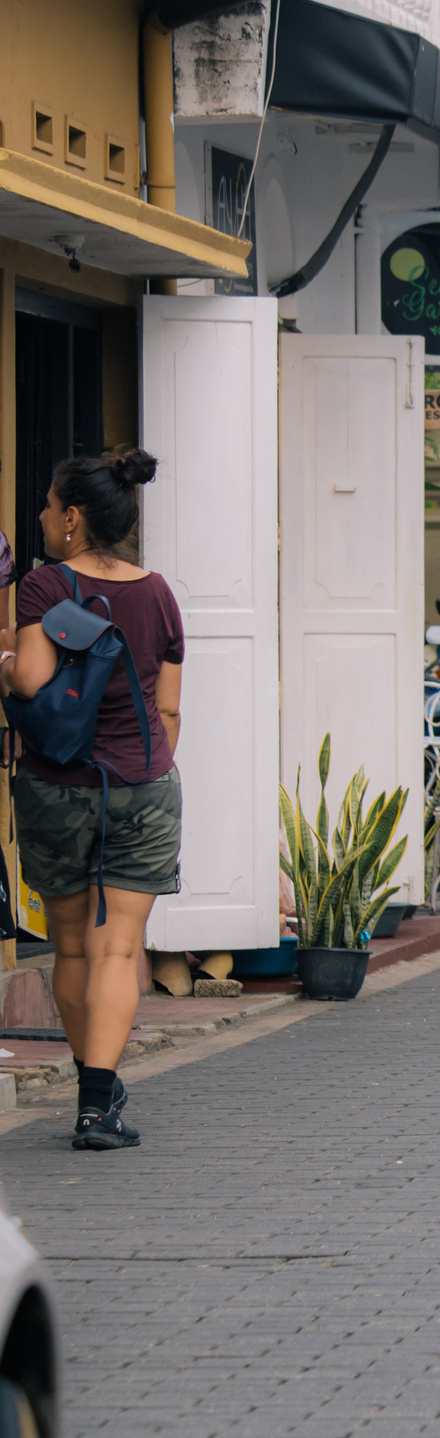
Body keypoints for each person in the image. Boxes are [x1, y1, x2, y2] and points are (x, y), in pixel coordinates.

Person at [4, 448, 183, 1150]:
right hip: (142, 785)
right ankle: (98, 1106)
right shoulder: (159, 592)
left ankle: (90, 1090)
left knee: (73, 946)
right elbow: (168, 709)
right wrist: (149, 764)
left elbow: (29, 682)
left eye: (49, 506)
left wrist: (5, 657)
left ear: (73, 517)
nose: (44, 516)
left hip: (58, 786)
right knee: (119, 949)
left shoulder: (46, 588)